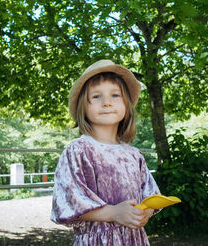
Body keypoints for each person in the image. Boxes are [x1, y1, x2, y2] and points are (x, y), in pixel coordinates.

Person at [51, 59, 161, 245]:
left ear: (126, 105)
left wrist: (144, 213)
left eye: (115, 95)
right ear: (83, 107)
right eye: (96, 97)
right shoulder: (78, 151)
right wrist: (114, 213)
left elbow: (150, 195)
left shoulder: (134, 155)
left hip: (134, 239)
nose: (107, 102)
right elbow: (69, 201)